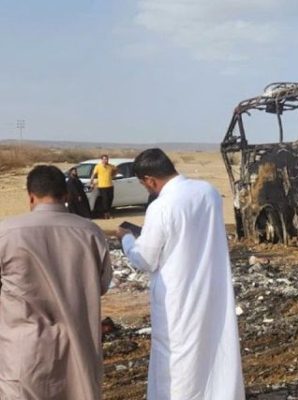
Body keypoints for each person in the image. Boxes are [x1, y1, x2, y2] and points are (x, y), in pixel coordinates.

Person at [116, 148, 245, 399]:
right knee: (214, 350)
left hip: (178, 297)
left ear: (149, 180)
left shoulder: (162, 206)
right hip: (211, 288)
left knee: (178, 361)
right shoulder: (208, 192)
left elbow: (145, 259)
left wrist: (127, 239)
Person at [0, 165, 112, 399]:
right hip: (79, 355)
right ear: (66, 196)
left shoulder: (6, 233)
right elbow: (101, 285)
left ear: (31, 197)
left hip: (24, 356)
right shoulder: (91, 232)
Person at [91, 154, 117, 219]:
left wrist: (113, 175)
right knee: (105, 200)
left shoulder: (110, 166)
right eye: (104, 159)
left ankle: (108, 212)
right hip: (102, 186)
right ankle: (106, 214)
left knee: (110, 199)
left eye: (107, 159)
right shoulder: (98, 166)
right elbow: (93, 175)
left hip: (110, 185)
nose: (106, 160)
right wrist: (91, 183)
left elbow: (116, 170)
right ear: (102, 160)